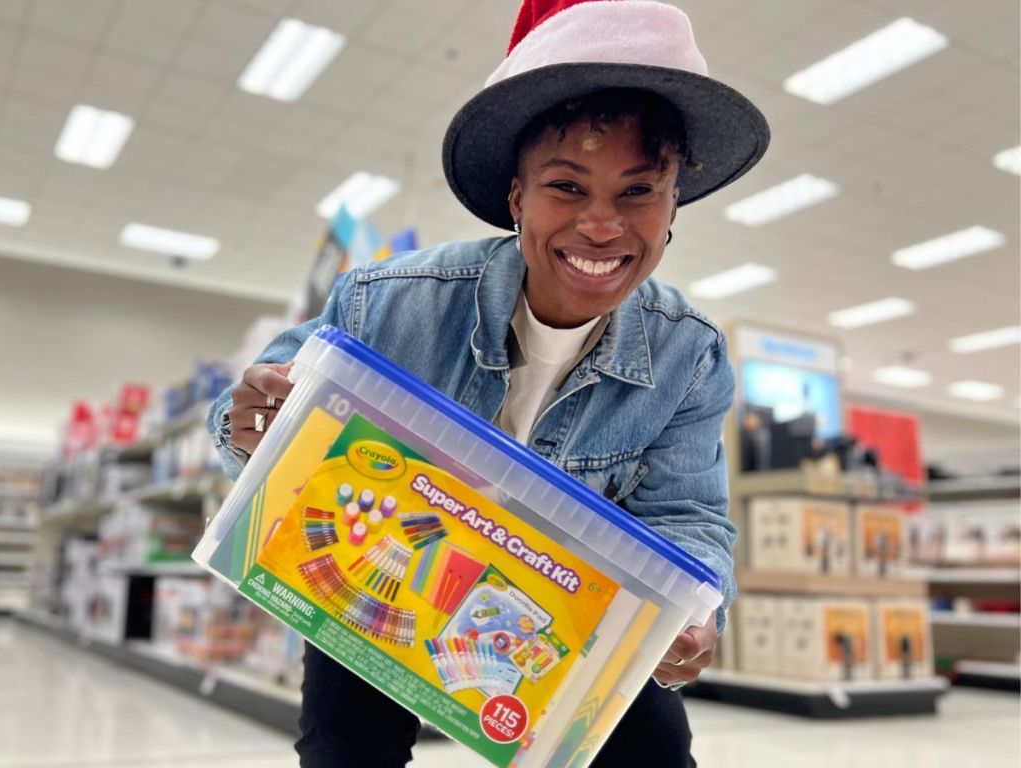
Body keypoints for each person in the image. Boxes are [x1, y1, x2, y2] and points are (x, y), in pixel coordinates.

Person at [209, 1, 769, 765]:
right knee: (345, 747)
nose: (602, 226)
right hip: (389, 573)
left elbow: (687, 515)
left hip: (564, 606)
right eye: (567, 187)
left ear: (675, 203)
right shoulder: (392, 300)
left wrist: (695, 612)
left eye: (638, 191)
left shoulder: (688, 356)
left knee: (655, 753)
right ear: (516, 197)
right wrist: (249, 422)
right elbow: (260, 402)